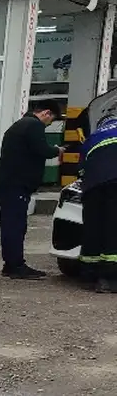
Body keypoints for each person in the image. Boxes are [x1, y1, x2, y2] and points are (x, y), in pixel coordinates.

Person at [0, 99, 63, 279]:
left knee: (11, 224)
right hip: (16, 184)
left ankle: (11, 263)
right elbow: (42, 150)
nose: (48, 124)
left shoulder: (20, 124)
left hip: (8, 183)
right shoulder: (33, 125)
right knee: (15, 226)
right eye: (51, 120)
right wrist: (58, 150)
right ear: (46, 113)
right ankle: (15, 266)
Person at [80, 115, 117, 293]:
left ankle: (88, 275)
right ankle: (110, 279)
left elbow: (81, 169)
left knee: (92, 227)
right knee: (113, 227)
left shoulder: (93, 137)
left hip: (92, 185)